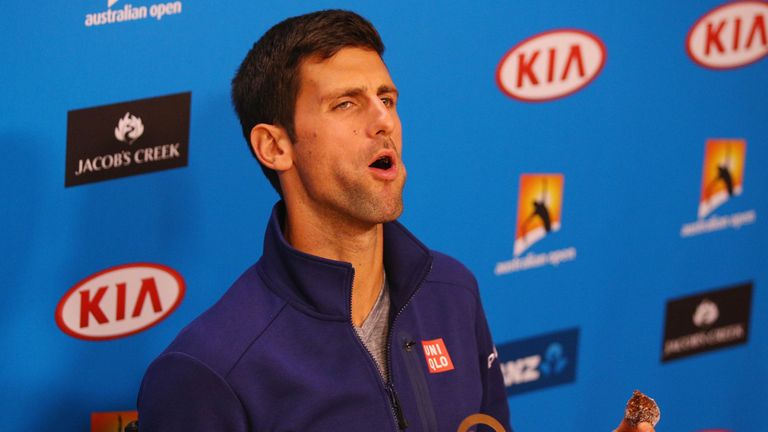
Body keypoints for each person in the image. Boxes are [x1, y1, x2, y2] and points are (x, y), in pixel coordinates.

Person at [137, 10, 655, 432]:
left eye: (386, 99)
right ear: (275, 146)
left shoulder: (453, 291)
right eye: (346, 104)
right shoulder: (210, 370)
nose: (383, 120)